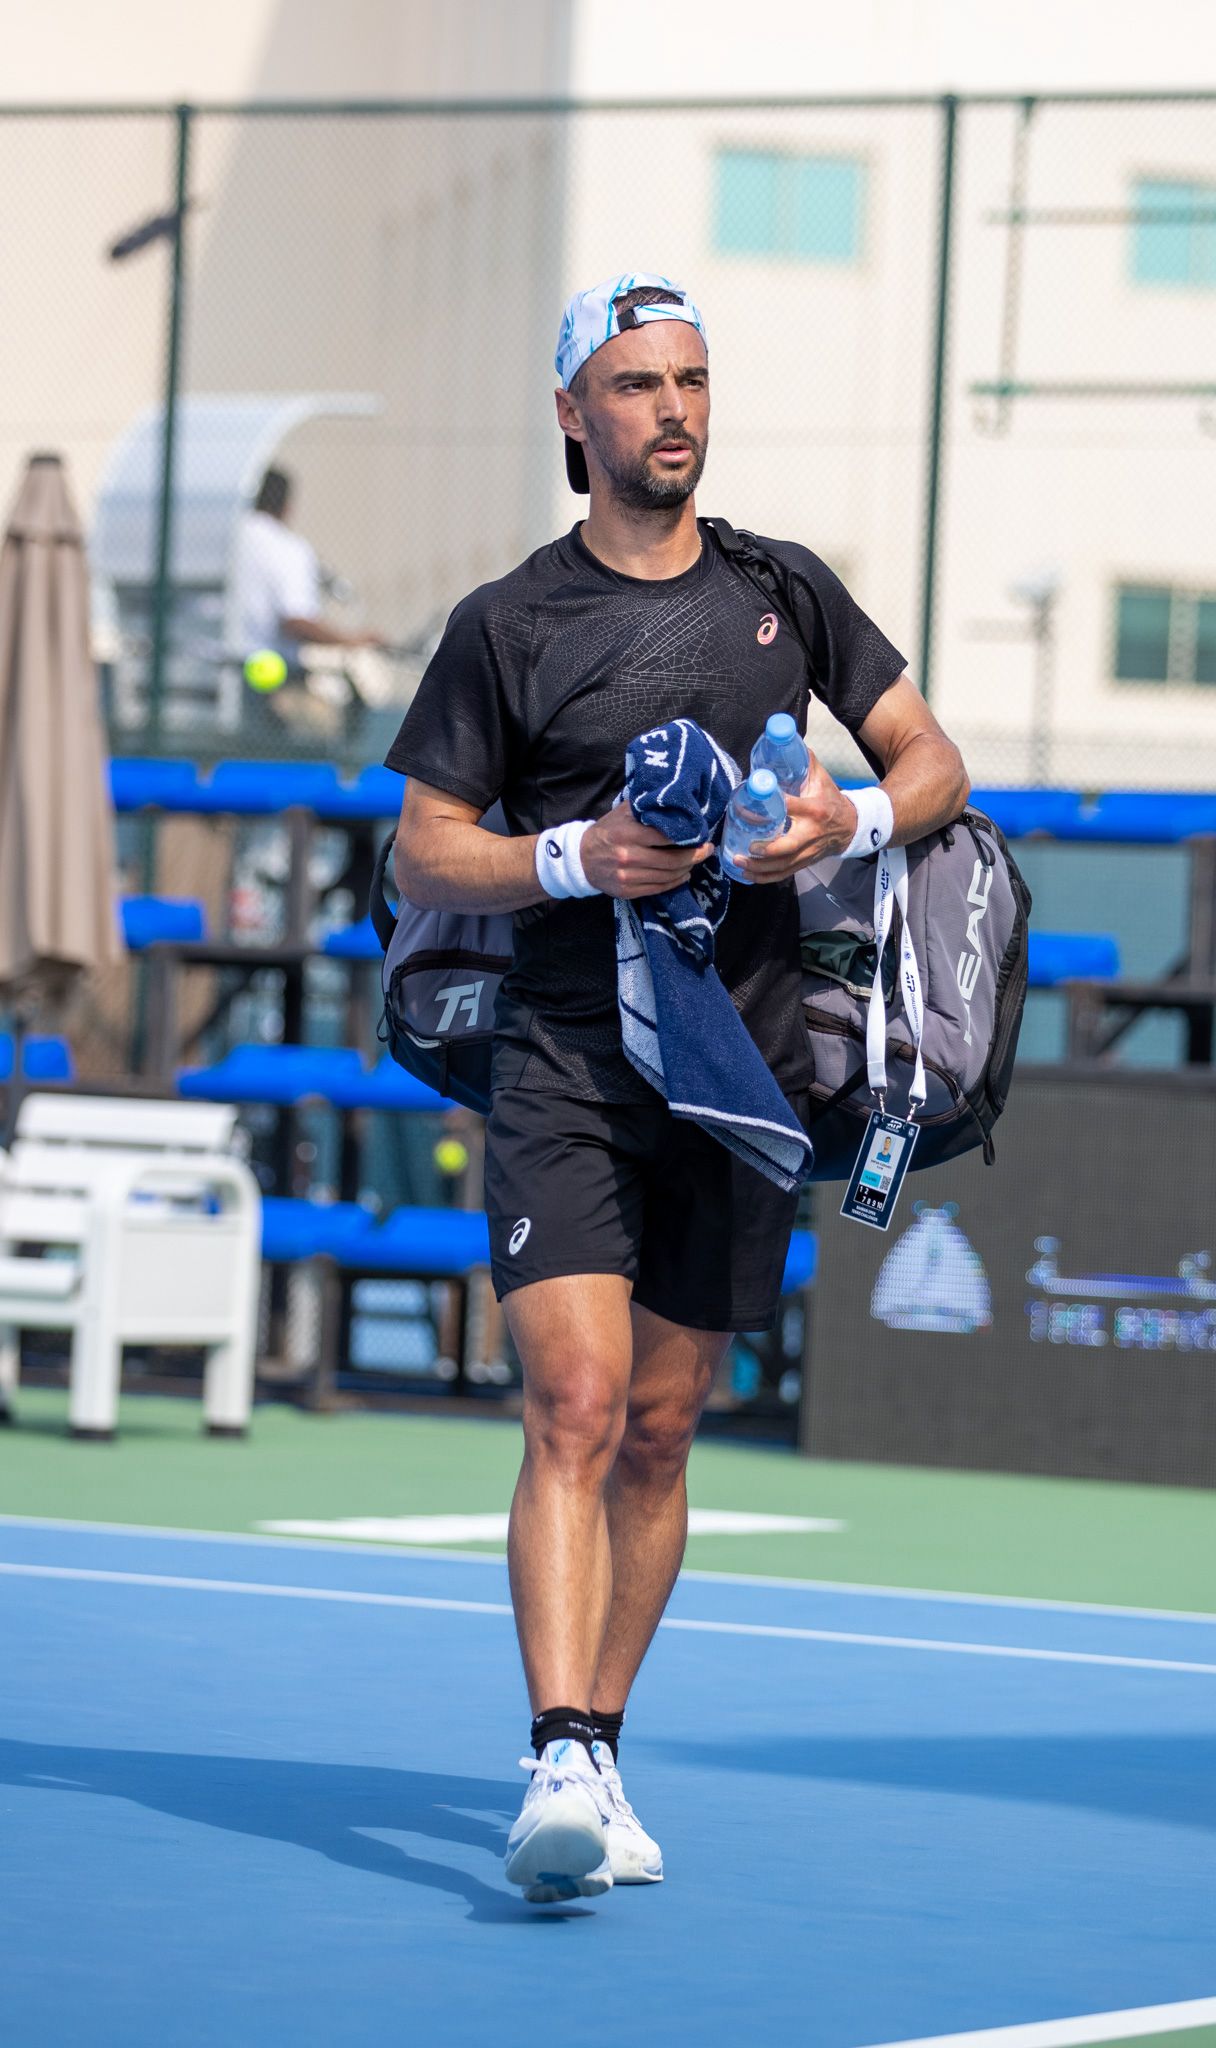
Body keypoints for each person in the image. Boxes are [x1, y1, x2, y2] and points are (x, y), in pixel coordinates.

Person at [385, 273, 969, 1906]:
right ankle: (557, 1750)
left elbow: (932, 762)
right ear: (574, 414)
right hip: (564, 1059)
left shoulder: (786, 589)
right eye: (639, 383)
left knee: (657, 1428)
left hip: (746, 1073)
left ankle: (605, 1748)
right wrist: (575, 855)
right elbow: (423, 845)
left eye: (693, 380)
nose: (673, 410)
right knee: (573, 1404)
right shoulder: (506, 623)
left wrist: (846, 821)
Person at [226, 466, 382, 673]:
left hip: (228, 667)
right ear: (287, 506)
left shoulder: (233, 537)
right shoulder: (288, 547)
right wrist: (350, 642)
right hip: (273, 673)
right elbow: (296, 620)